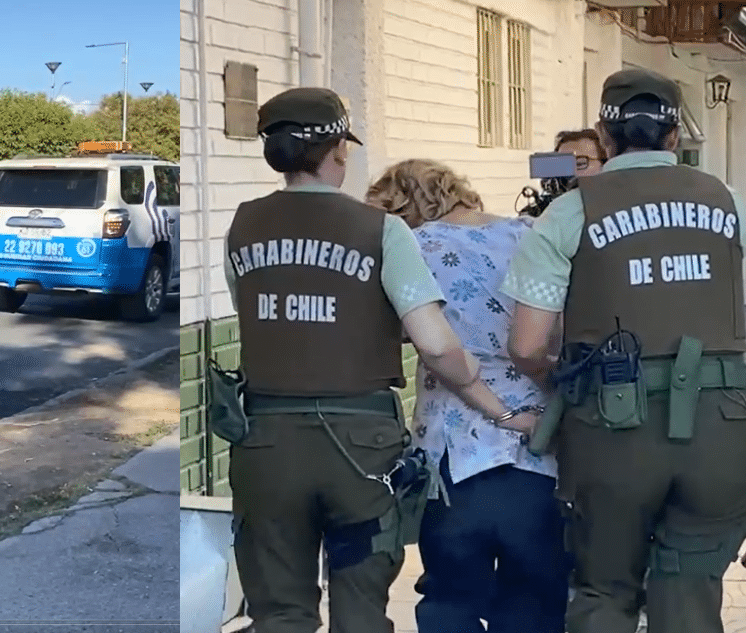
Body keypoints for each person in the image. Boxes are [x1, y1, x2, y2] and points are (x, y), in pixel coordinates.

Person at [220, 86, 539, 633]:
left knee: (277, 612)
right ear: (338, 150)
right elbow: (437, 345)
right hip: (359, 449)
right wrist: (487, 393)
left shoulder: (242, 225)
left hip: (265, 441)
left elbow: (253, 312)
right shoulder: (381, 230)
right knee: (362, 611)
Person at [500, 68, 746, 633]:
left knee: (604, 590)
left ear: (603, 134)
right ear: (675, 136)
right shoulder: (728, 201)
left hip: (612, 430)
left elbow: (526, 344)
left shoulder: (571, 210)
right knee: (691, 593)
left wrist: (565, 379)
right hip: (722, 426)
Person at [367, 159, 571, 633]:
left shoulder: (411, 247)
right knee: (536, 596)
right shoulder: (531, 232)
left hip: (453, 453)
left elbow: (413, 337)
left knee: (450, 597)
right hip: (540, 446)